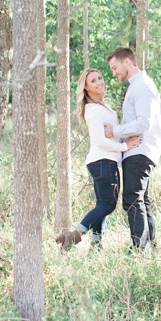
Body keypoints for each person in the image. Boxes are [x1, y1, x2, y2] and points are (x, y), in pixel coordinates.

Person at [55, 68, 140, 250]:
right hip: (103, 162)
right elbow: (99, 140)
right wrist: (125, 146)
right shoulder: (93, 109)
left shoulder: (101, 105)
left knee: (102, 204)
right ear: (85, 88)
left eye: (100, 78)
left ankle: (96, 242)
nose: (99, 82)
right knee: (108, 205)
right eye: (93, 81)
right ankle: (74, 235)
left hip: (103, 162)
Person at [103, 47, 161, 250]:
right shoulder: (138, 85)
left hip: (140, 150)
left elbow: (144, 123)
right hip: (140, 150)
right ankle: (149, 246)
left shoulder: (142, 87)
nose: (114, 73)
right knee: (140, 199)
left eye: (115, 68)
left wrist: (115, 131)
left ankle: (139, 249)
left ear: (127, 62)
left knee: (131, 198)